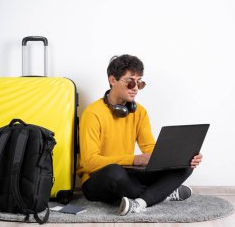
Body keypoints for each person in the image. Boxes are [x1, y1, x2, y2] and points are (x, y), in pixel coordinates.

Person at [77, 54, 203, 215]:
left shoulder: (140, 112)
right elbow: (89, 162)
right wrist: (135, 159)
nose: (135, 87)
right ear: (112, 80)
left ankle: (140, 202)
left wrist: (180, 156)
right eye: (130, 82)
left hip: (128, 174)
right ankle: (161, 194)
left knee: (186, 165)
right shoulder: (93, 113)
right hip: (99, 179)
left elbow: (149, 148)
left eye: (139, 82)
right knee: (114, 172)